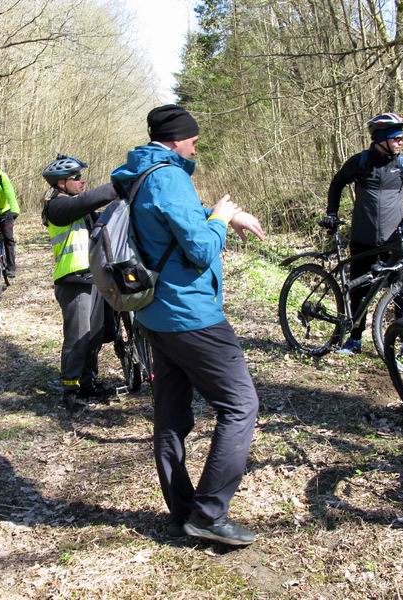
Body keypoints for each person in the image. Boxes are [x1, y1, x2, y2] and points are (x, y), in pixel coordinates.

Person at [111, 105, 266, 546]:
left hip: (156, 315)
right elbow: (199, 248)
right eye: (194, 140)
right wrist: (218, 218)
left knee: (172, 416)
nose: (197, 146)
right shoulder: (169, 175)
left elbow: (166, 215)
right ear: (177, 139)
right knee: (240, 406)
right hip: (191, 316)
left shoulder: (139, 173)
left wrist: (216, 214)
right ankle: (209, 513)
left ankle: (181, 511)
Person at [326, 112, 403, 355]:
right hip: (363, 238)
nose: (401, 142)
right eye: (397, 138)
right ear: (381, 139)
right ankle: (355, 339)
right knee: (359, 291)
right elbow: (337, 183)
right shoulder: (360, 162)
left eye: (402, 138)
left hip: (394, 241)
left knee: (402, 293)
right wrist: (331, 212)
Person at [41, 154, 118, 413]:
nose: (81, 181)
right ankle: (71, 390)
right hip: (73, 281)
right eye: (76, 177)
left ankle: (88, 384)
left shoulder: (80, 208)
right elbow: (88, 200)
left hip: (92, 278)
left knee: (93, 336)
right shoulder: (57, 207)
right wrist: (117, 186)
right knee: (77, 338)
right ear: (61, 183)